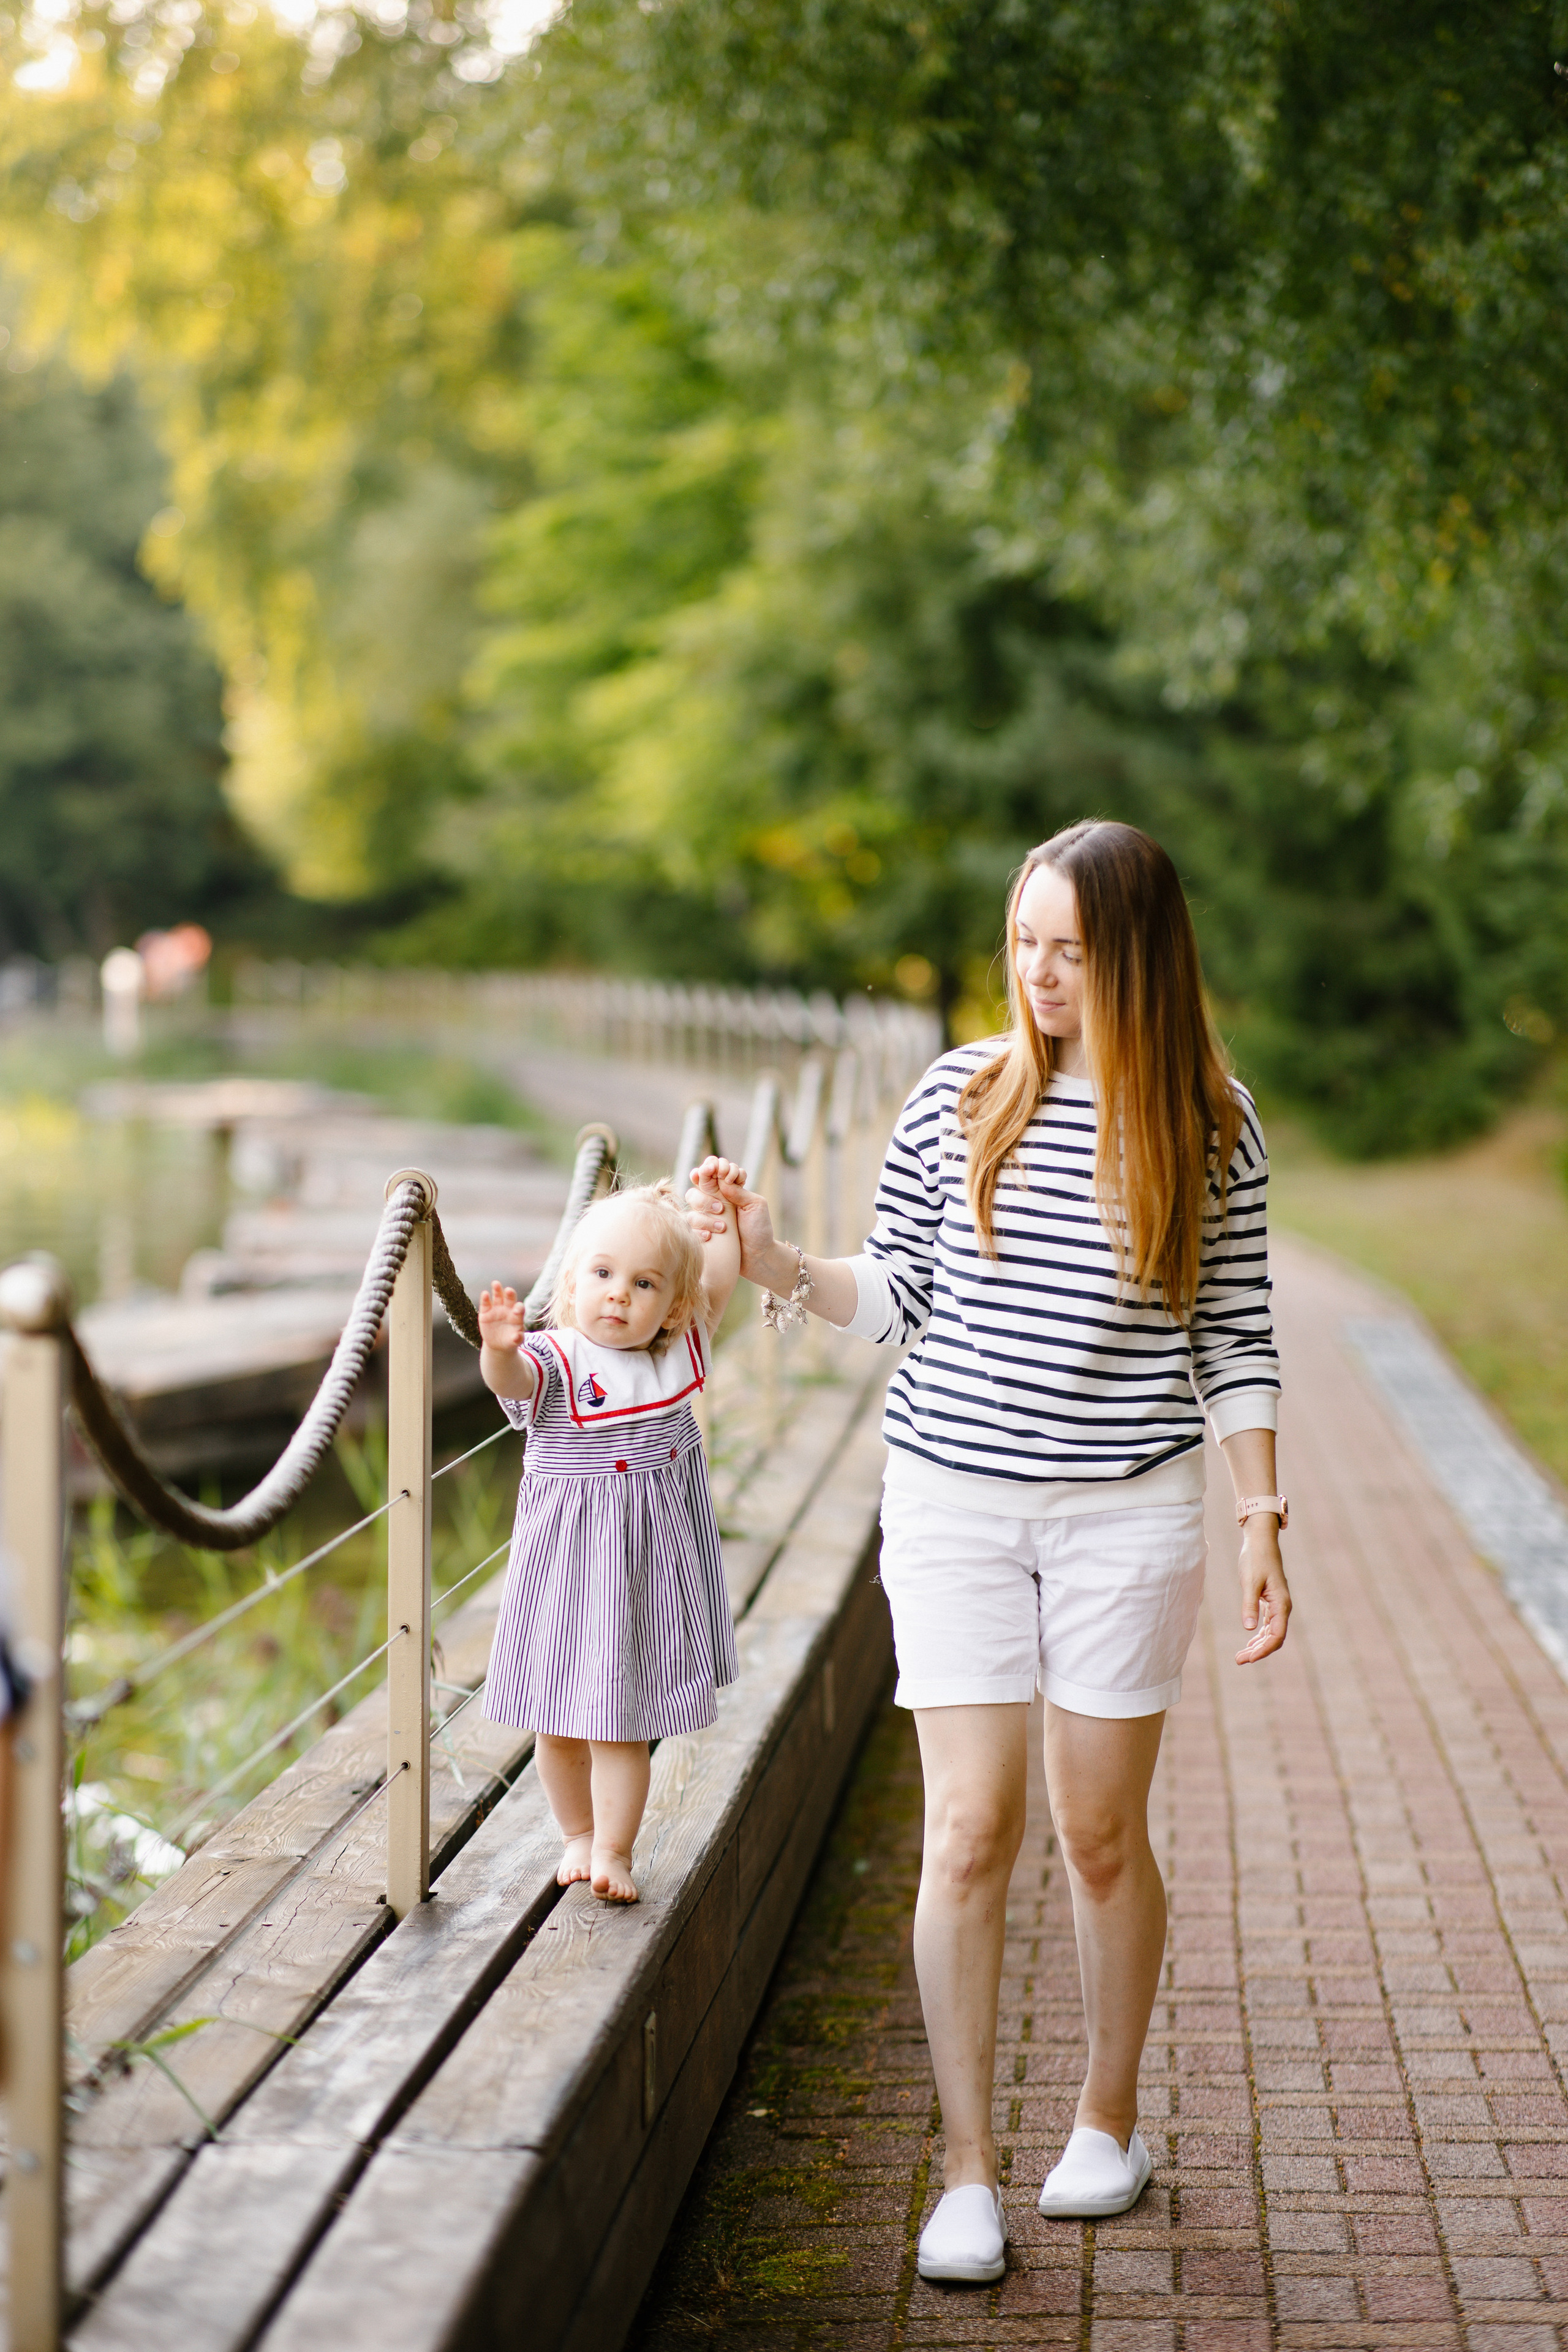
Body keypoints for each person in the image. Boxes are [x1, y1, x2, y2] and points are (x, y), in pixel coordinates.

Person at [687, 818, 1290, 2282]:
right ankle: (962, 2173)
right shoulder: (959, 1094)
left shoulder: (1210, 1121)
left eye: (1067, 950)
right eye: (1023, 942)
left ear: (1136, 956)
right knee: (967, 1826)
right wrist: (771, 1260)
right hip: (952, 1501)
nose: (1036, 973)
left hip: (1125, 1513)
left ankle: (1105, 2121)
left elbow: (1233, 1334)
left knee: (1097, 1833)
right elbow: (892, 1288)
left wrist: (1260, 1516)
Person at [478, 1180, 742, 1903]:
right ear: (571, 1282)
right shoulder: (556, 1360)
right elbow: (514, 1380)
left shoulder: (674, 1354)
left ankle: (615, 1851)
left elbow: (718, 1280)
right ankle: (577, 1834)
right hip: (567, 1573)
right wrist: (498, 1349)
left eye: (643, 1283)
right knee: (558, 1722)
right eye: (602, 1273)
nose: (618, 1294)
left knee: (620, 1724)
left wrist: (721, 1215)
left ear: (673, 1307)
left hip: (646, 1573)